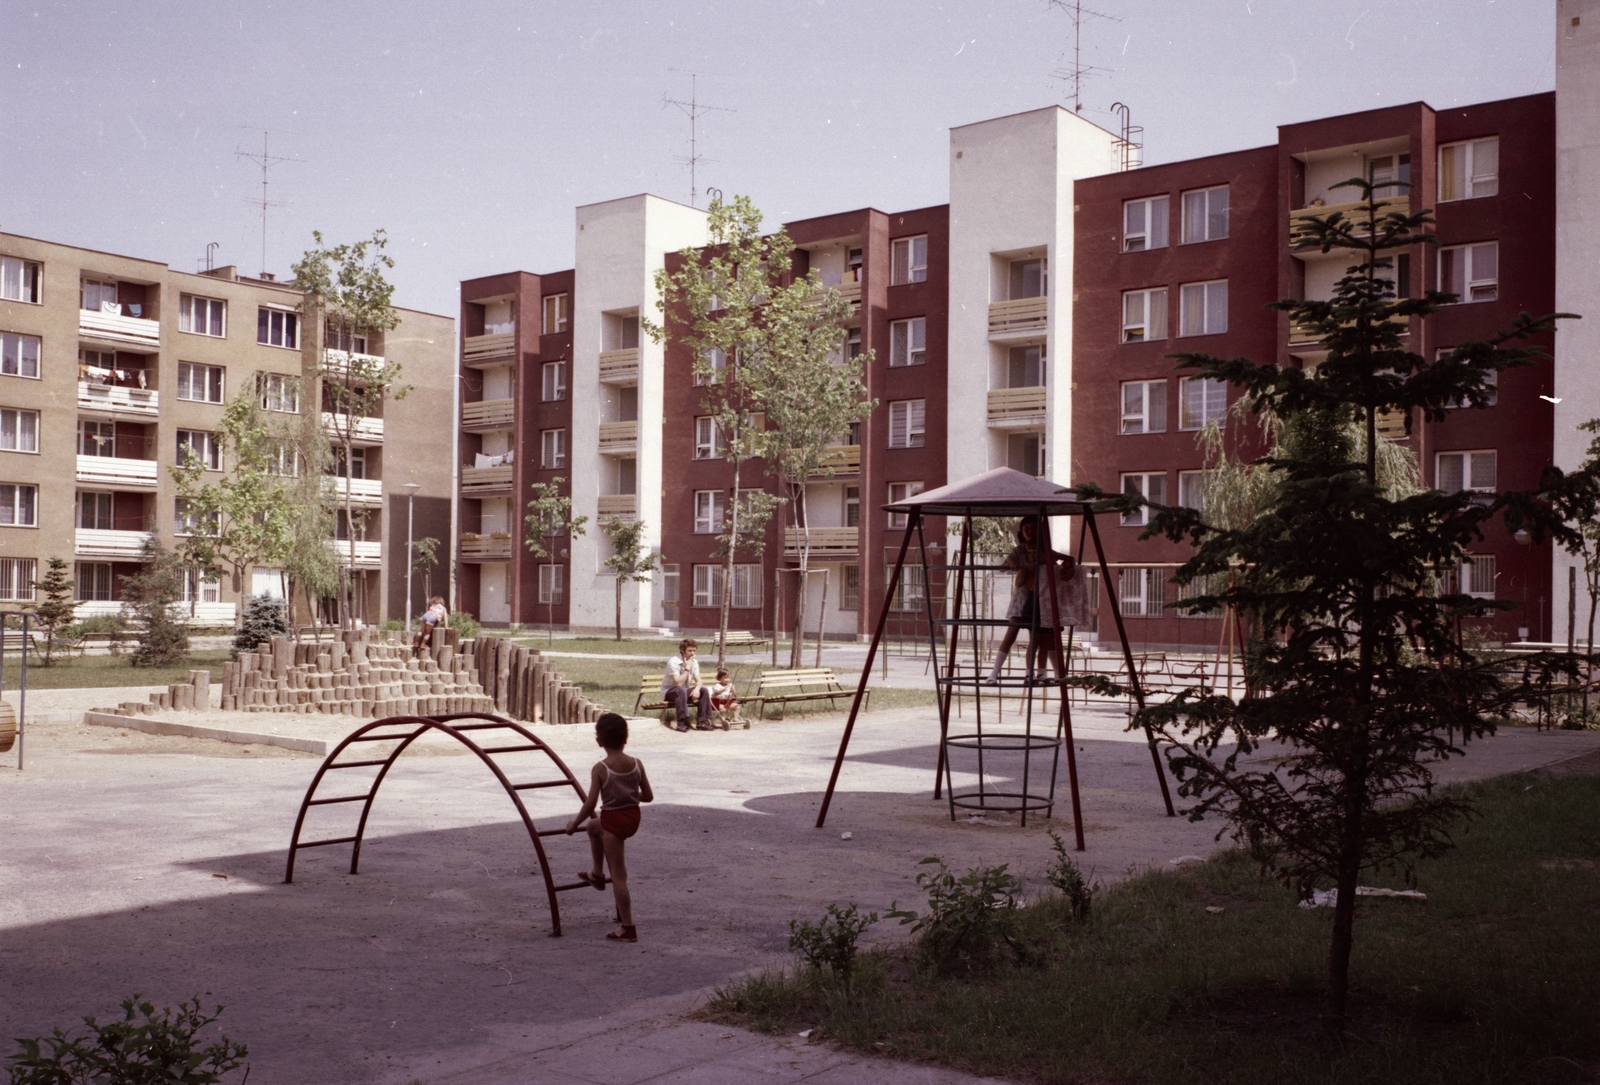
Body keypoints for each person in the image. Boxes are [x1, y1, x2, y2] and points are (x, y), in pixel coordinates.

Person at [566, 713, 654, 943]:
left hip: (614, 822)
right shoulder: (637, 763)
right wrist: (630, 794)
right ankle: (596, 873)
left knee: (619, 875)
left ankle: (628, 927)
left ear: (599, 741)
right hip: (632, 818)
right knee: (593, 828)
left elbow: (590, 803)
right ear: (626, 738)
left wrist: (573, 824)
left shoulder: (600, 768)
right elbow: (649, 796)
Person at [984, 518, 1085, 684]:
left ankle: (1046, 674)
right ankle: (994, 673)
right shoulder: (1019, 550)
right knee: (1011, 633)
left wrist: (1070, 566)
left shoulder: (1045, 550)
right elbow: (1003, 566)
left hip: (1042, 596)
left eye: (1033, 528)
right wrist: (1012, 563)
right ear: (1022, 531)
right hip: (1023, 595)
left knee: (1041, 637)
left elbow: (1068, 558)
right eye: (1026, 528)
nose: (1030, 531)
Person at [661, 638, 714, 731]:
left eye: (694, 650)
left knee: (703, 690)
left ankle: (702, 722)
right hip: (669, 692)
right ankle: (681, 723)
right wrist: (687, 668)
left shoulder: (694, 662)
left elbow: (699, 681)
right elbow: (678, 682)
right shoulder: (673, 661)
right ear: (682, 650)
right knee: (680, 690)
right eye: (690, 651)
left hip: (683, 692)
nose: (692, 653)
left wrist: (697, 689)